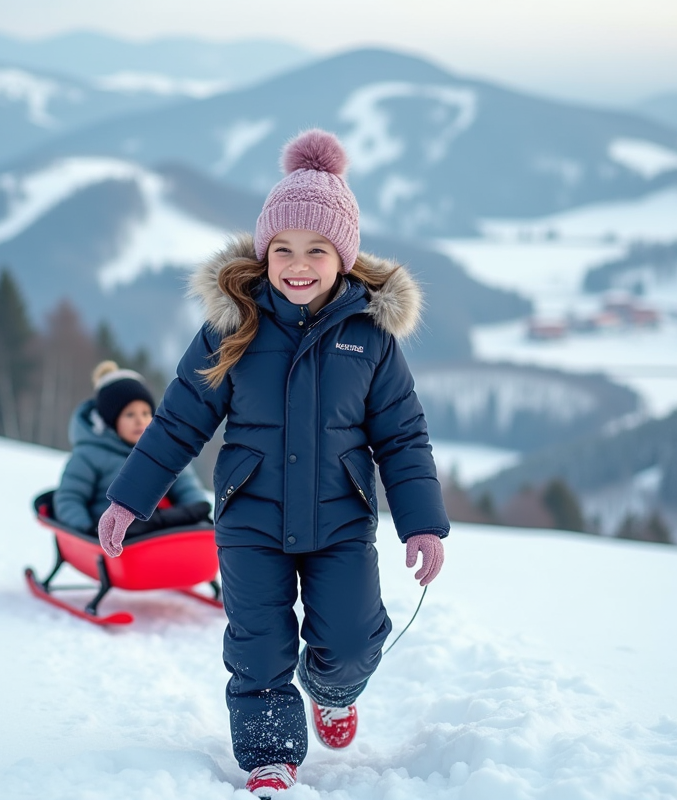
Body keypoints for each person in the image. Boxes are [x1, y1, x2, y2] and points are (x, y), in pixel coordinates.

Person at [95, 129, 448, 796]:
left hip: (341, 518)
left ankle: (332, 690)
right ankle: (270, 755)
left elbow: (403, 437)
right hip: (251, 516)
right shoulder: (235, 324)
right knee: (258, 644)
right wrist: (128, 498)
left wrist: (422, 523)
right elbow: (179, 420)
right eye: (283, 248)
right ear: (264, 253)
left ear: (343, 257)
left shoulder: (370, 337)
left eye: (317, 249)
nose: (298, 264)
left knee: (352, 640)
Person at [53, 360, 211, 536]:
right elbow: (70, 499)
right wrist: (86, 530)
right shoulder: (89, 455)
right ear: (110, 421)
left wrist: (198, 512)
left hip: (161, 534)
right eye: (129, 414)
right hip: (115, 536)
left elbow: (187, 488)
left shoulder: (163, 452)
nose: (140, 421)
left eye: (145, 413)